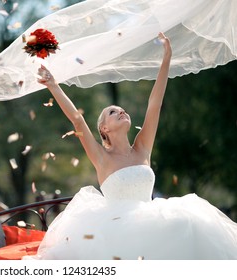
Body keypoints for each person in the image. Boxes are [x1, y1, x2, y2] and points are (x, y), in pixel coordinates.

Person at [22, 33, 237, 259]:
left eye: (121, 109)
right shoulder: (101, 157)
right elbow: (77, 119)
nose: (121, 111)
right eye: (112, 112)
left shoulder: (142, 148)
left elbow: (155, 104)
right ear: (104, 129)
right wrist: (53, 85)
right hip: (115, 233)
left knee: (190, 222)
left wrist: (167, 58)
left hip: (154, 224)